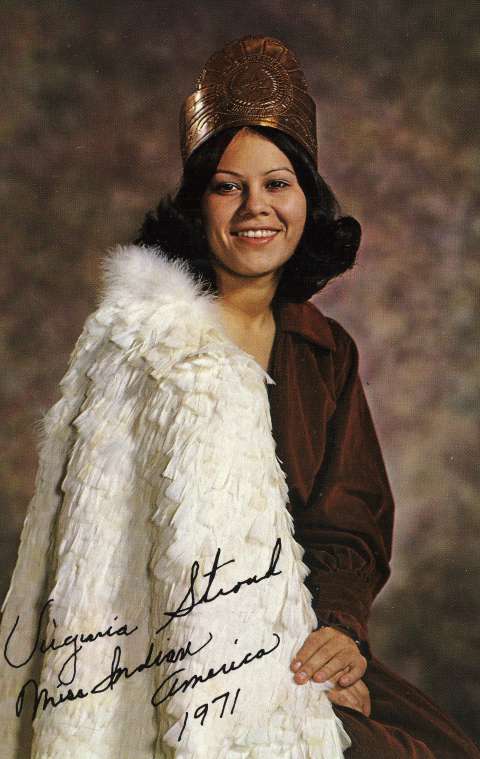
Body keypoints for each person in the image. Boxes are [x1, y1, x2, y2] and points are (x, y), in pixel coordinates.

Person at [0, 34, 478, 758]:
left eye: (277, 183)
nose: (256, 207)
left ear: (306, 198)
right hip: (171, 659)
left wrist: (338, 637)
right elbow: (103, 560)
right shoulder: (142, 345)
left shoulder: (325, 350)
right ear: (199, 204)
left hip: (301, 636)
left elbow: (349, 520)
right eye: (230, 185)